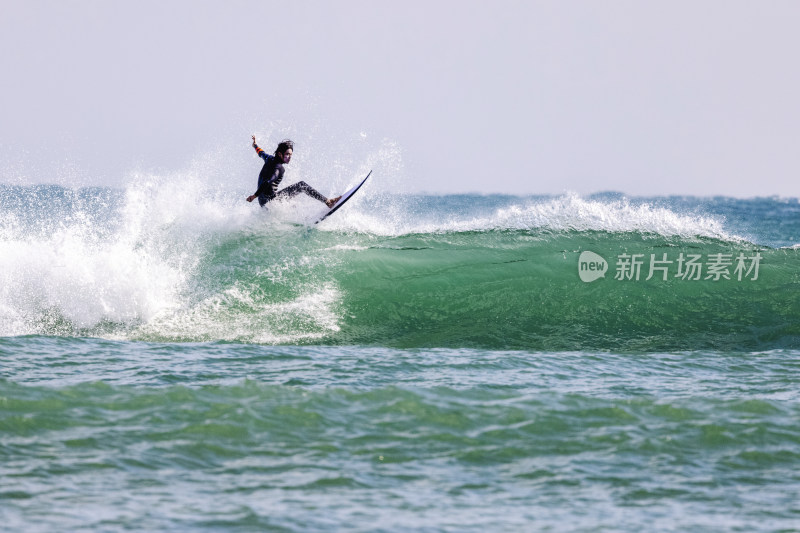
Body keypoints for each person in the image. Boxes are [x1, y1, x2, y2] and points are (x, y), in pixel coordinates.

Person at [246, 136, 341, 208]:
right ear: (280, 154)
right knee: (301, 185)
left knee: (293, 205)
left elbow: (261, 152)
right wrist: (254, 196)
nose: (290, 157)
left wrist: (255, 145)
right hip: (271, 203)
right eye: (287, 154)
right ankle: (328, 202)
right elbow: (267, 182)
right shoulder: (279, 168)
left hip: (262, 202)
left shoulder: (269, 158)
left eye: (291, 155)